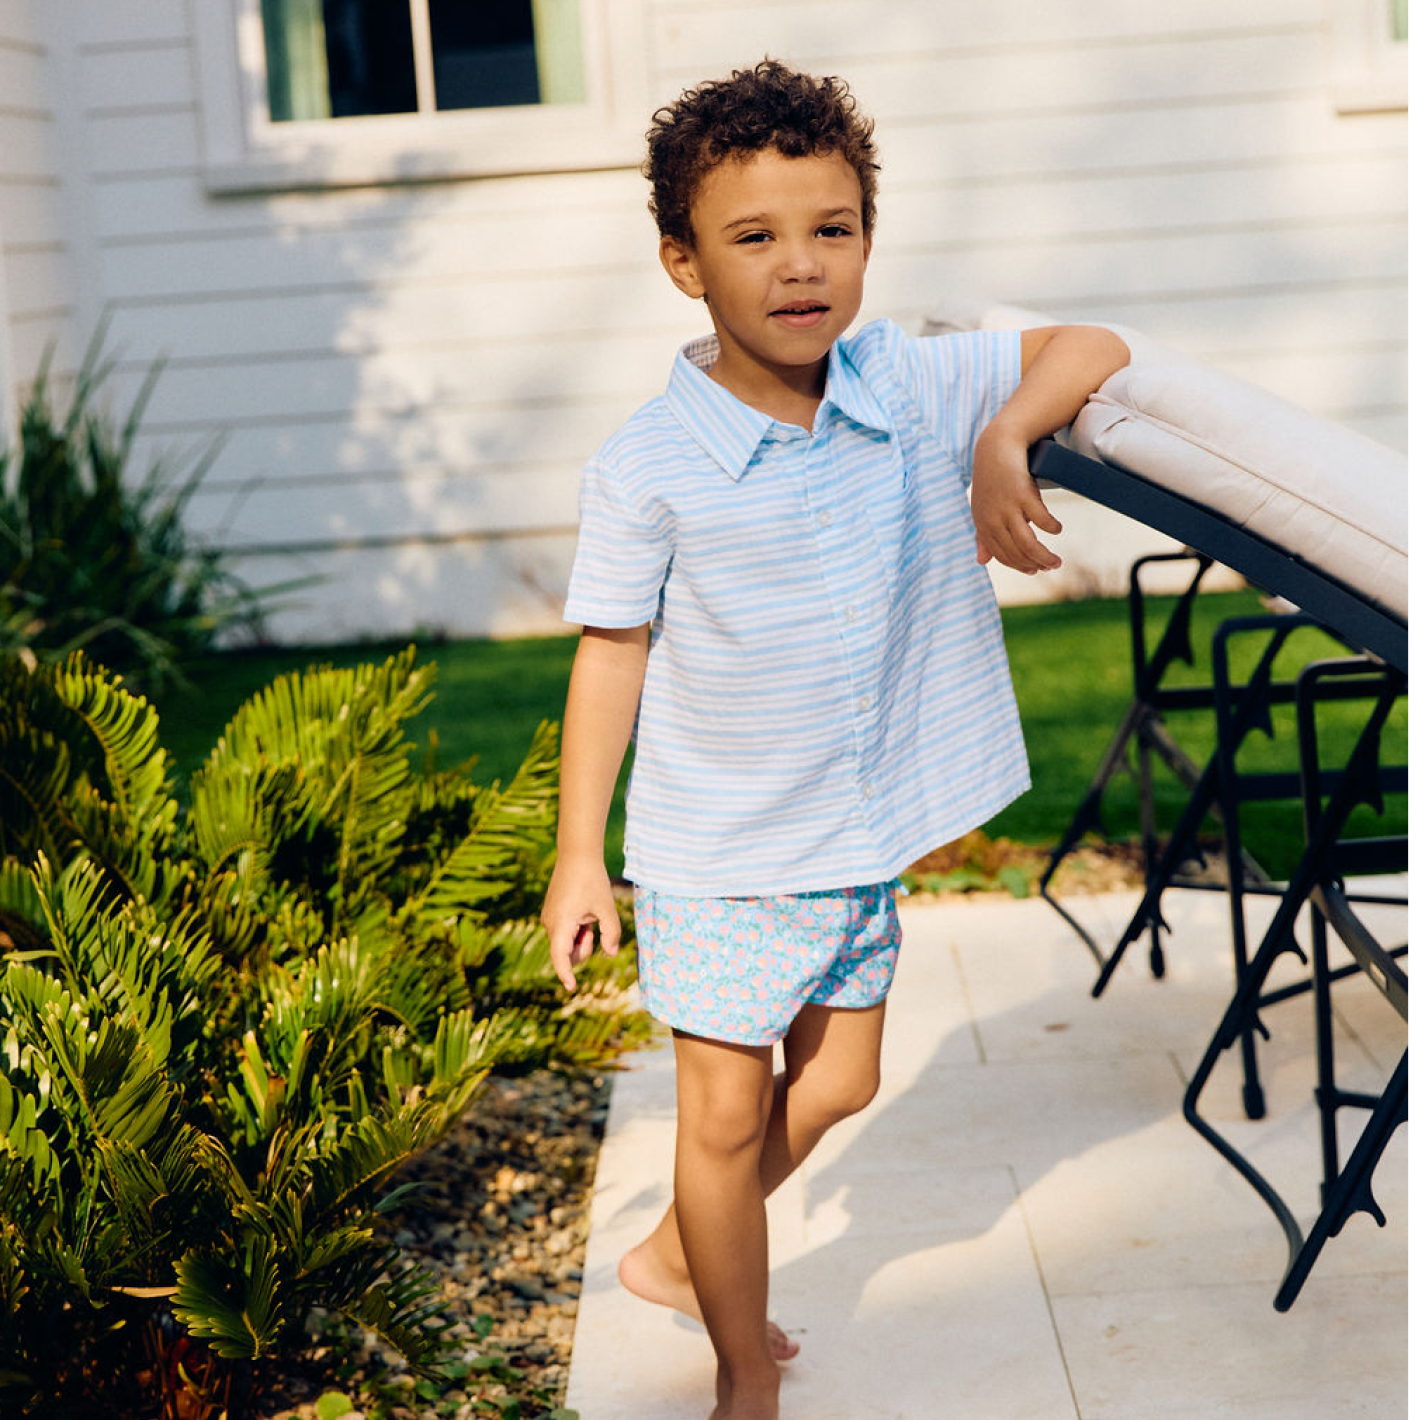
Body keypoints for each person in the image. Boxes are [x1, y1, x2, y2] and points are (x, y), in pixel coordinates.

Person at [540, 59, 1129, 1420]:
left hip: (850, 839)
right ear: (684, 263)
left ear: (867, 235)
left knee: (846, 1079)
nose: (800, 268)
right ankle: (742, 1363)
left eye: (833, 229)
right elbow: (609, 656)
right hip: (722, 851)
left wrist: (1007, 437)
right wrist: (584, 855)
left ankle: (685, 1251)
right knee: (725, 1118)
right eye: (753, 238)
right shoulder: (648, 467)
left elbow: (1094, 344)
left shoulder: (907, 384)